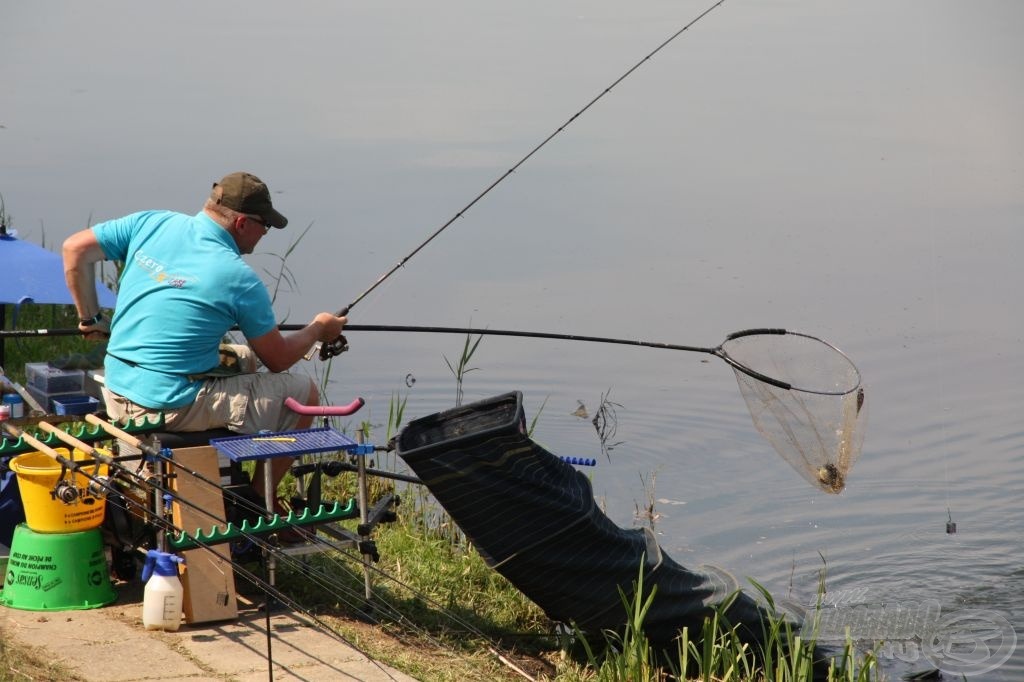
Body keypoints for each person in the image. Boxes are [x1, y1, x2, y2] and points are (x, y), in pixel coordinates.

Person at [62, 171, 346, 504]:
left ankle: (234, 468)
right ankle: (259, 501)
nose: (265, 233)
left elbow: (74, 249)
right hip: (167, 403)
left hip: (117, 383)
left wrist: (90, 319)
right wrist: (318, 329)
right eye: (265, 225)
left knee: (246, 357)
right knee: (304, 392)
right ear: (242, 224)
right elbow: (279, 359)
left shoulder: (152, 222)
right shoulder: (238, 277)